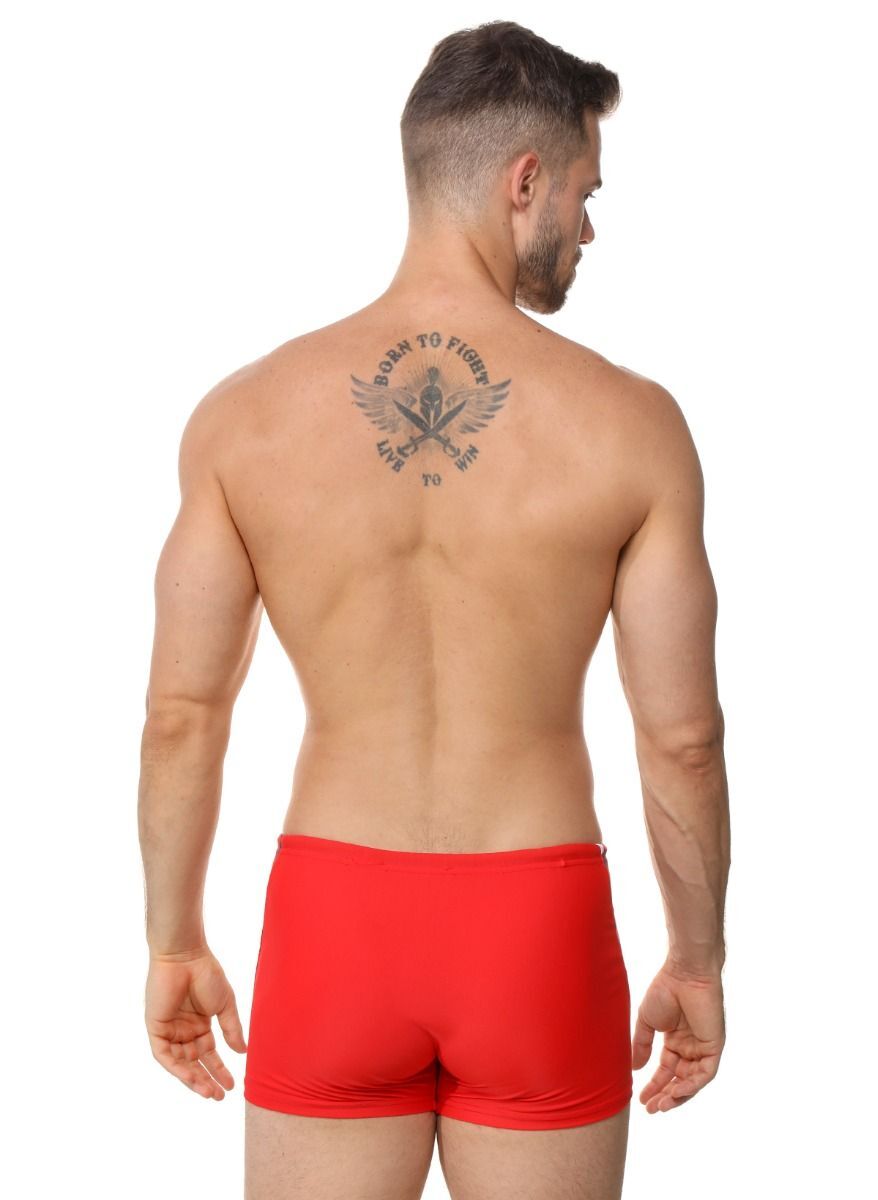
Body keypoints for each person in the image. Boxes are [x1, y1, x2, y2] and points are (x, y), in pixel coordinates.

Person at [138, 19, 730, 1200]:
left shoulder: (244, 419)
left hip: (333, 919)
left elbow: (181, 716)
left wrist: (174, 940)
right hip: (535, 923)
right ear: (524, 181)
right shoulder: (630, 427)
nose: (588, 227)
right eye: (583, 193)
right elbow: (682, 739)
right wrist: (697, 959)